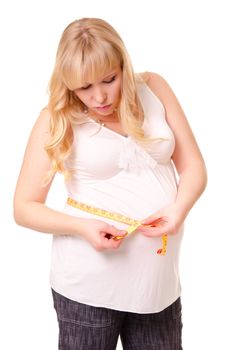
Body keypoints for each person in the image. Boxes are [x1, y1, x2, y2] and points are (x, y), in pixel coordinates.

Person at [13, 17, 207, 350]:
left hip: (157, 287)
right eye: (84, 87)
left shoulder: (154, 88)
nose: (99, 96)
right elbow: (24, 207)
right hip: (88, 287)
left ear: (122, 65)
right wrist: (81, 227)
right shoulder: (56, 118)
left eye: (109, 79)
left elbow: (193, 167)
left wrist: (178, 211)